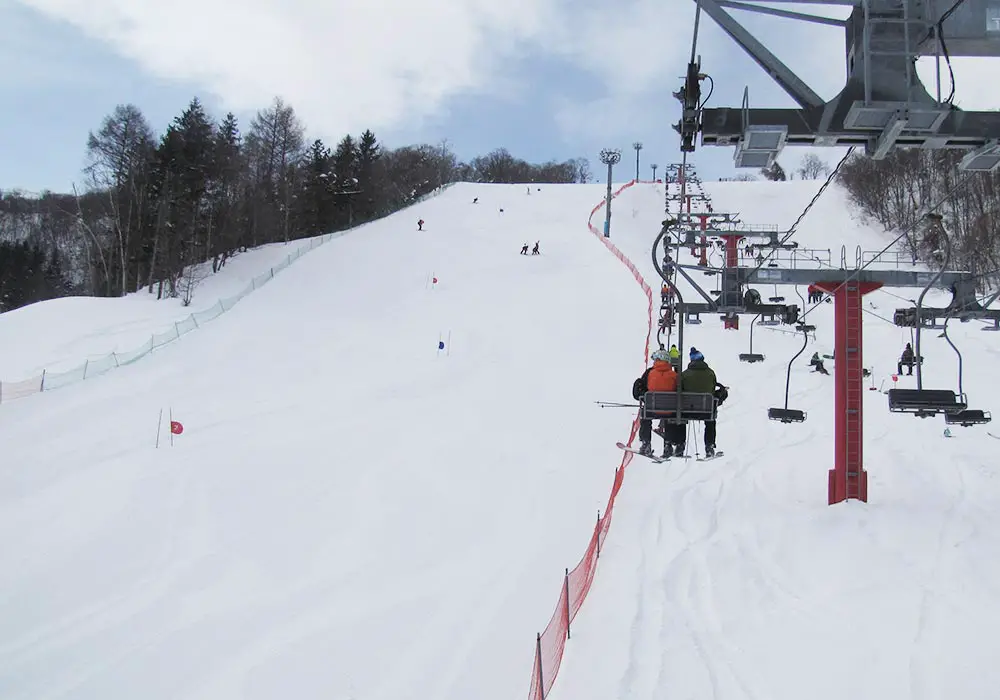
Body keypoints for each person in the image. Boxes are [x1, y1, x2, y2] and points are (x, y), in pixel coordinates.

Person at [673, 347, 721, 457]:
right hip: (705, 411)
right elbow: (712, 389)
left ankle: (680, 445)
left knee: (680, 417)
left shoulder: (684, 375)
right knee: (710, 421)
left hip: (687, 410)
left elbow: (679, 389)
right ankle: (709, 446)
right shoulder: (710, 373)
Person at [632, 348, 679, 458]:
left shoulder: (650, 373)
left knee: (645, 417)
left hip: (652, 409)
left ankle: (646, 443)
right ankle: (668, 445)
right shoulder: (674, 375)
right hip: (670, 410)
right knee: (669, 418)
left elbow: (642, 388)